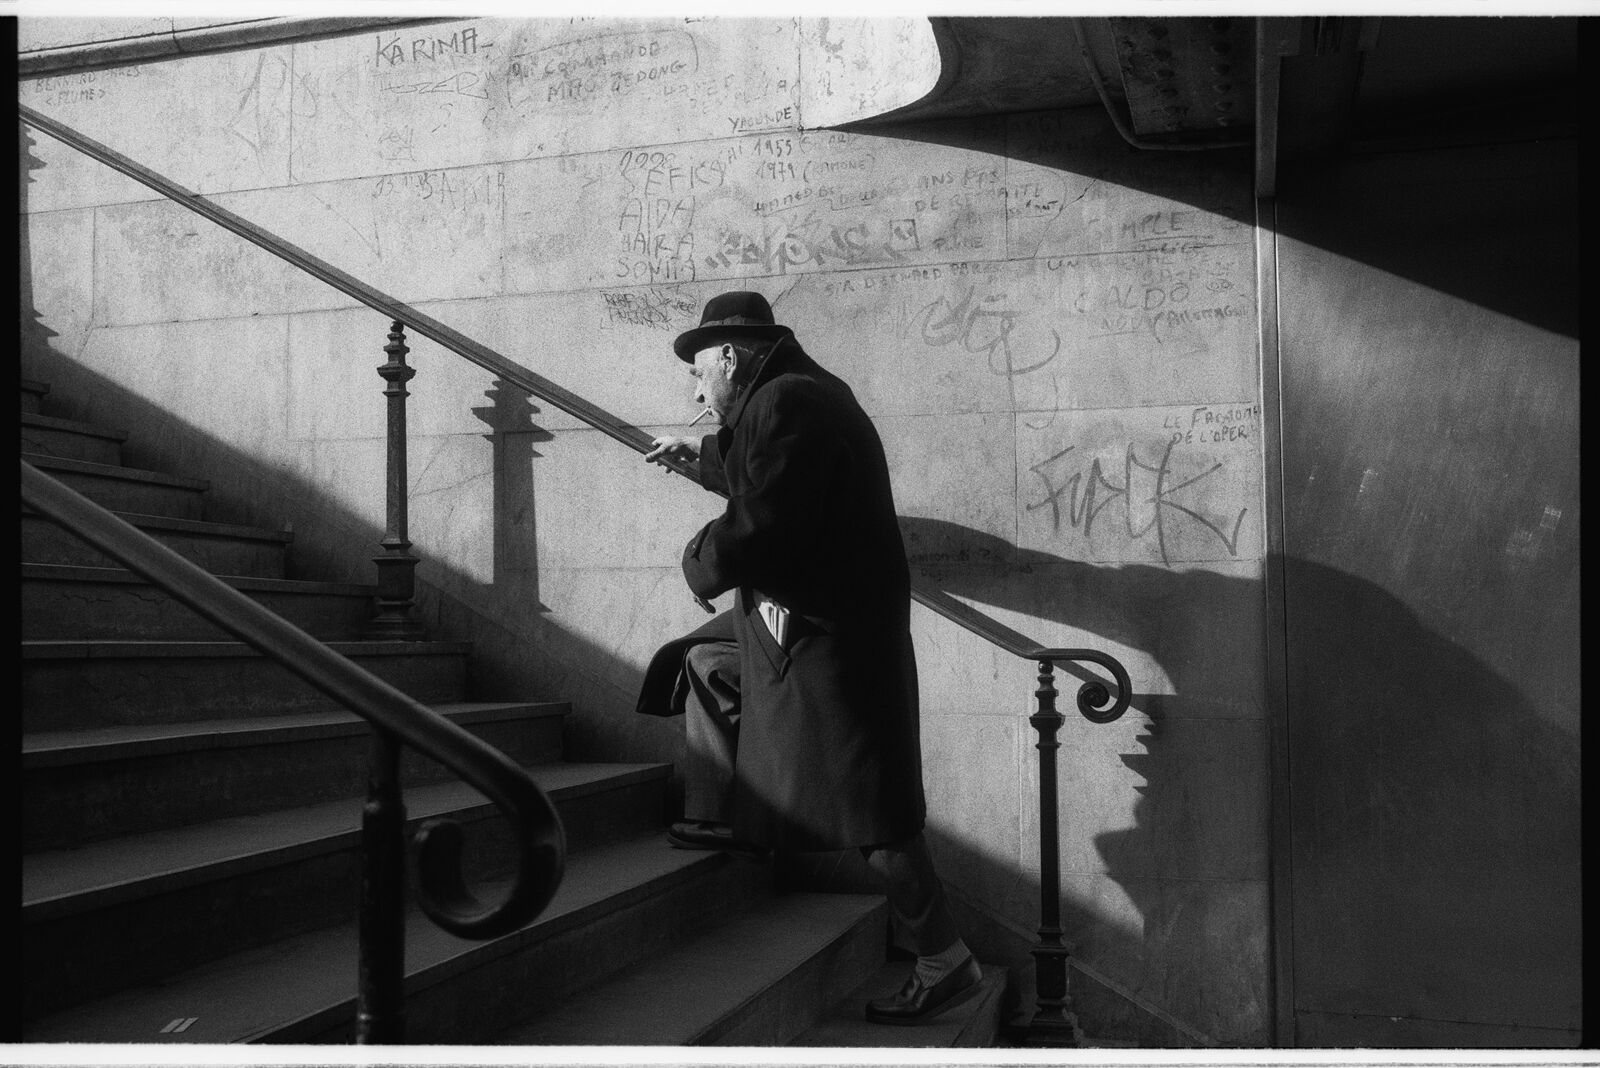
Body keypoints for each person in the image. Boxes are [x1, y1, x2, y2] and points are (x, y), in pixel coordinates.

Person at [636, 291, 981, 1024]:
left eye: (699, 372)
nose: (696, 391)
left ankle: (942, 955)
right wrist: (701, 460)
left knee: (873, 812)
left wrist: (697, 561)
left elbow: (765, 519)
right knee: (706, 664)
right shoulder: (802, 393)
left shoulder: (786, 400)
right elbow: (770, 472)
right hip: (828, 635)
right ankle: (730, 817)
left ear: (731, 356)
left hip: (829, 643)